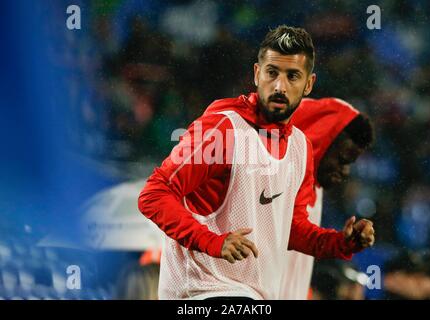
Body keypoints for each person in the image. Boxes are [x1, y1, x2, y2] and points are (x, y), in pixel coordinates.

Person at [138, 25, 375, 299]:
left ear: (308, 84)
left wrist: (341, 243)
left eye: (292, 76)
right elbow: (154, 194)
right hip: (201, 294)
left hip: (253, 298)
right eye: (272, 72)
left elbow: (291, 229)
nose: (279, 86)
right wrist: (213, 242)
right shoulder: (222, 129)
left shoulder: (299, 146)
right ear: (256, 74)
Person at [280, 98, 375, 299]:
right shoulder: (276, 183)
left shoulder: (316, 187)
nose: (346, 171)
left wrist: (344, 243)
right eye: (342, 160)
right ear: (317, 142)